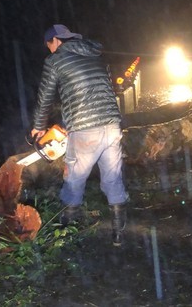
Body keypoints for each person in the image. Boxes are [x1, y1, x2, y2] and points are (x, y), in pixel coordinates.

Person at [31, 24, 129, 246]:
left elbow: (45, 96)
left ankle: (64, 231)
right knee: (112, 177)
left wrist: (38, 126)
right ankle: (118, 235)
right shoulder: (94, 54)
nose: (49, 50)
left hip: (86, 130)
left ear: (55, 41)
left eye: (49, 45)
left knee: (74, 177)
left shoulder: (55, 61)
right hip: (112, 124)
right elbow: (93, 91)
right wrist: (67, 122)